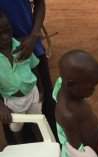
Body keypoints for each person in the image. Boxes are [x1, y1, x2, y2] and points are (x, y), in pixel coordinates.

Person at [0, 0, 58, 143]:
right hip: (4, 57)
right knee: (13, 121)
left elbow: (39, 3)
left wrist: (34, 36)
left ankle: (54, 153)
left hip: (31, 48)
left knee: (46, 110)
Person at [0, 11, 42, 141]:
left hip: (32, 94)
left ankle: (43, 144)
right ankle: (20, 147)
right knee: (16, 130)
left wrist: (41, 89)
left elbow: (34, 67)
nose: (5, 37)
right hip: (12, 103)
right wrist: (1, 107)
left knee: (38, 124)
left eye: (7, 31)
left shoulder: (23, 46)